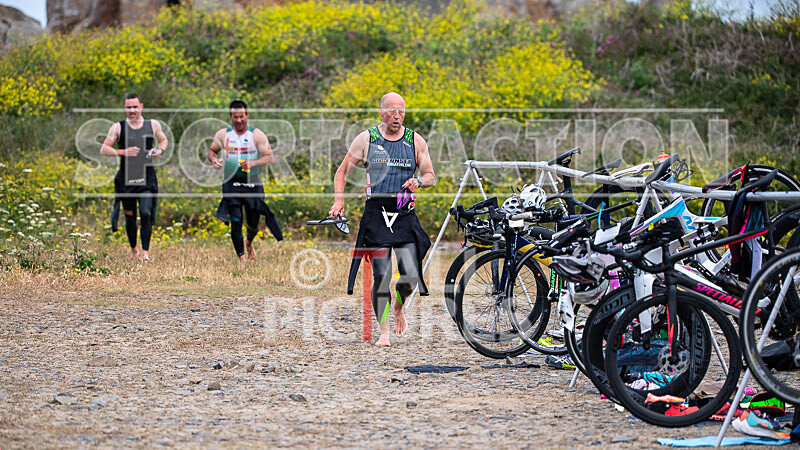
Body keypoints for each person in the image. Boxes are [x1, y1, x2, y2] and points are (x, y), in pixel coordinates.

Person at [330, 92, 436, 347]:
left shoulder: (415, 140)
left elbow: (431, 175)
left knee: (410, 274)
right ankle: (384, 332)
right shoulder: (367, 139)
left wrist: (419, 181)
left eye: (401, 111)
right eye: (391, 111)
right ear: (381, 113)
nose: (397, 116)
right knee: (381, 274)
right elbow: (342, 171)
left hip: (404, 215)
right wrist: (338, 200)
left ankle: (398, 307)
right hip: (376, 213)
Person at [208, 100, 283, 262]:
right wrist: (213, 160)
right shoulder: (223, 134)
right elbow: (212, 150)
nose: (239, 120)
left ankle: (248, 242)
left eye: (242, 117)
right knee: (235, 220)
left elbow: (269, 158)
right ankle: (241, 258)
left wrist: (253, 163)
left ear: (247, 115)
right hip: (231, 183)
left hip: (252, 183)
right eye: (235, 117)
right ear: (231, 117)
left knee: (253, 222)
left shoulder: (256, 135)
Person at [101, 93, 167, 262]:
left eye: (134, 107)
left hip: (147, 179)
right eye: (128, 107)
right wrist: (122, 152)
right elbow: (104, 149)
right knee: (130, 216)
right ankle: (134, 250)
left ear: (141, 107)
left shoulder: (152, 124)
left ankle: (145, 253)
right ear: (125, 108)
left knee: (145, 212)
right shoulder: (118, 127)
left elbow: (163, 141)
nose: (131, 110)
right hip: (126, 180)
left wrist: (159, 151)